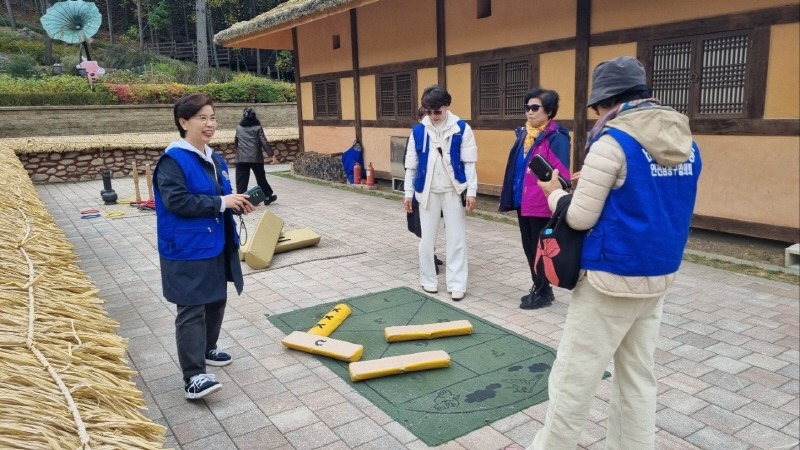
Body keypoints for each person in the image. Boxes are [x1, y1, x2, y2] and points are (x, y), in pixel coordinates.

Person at [526, 56, 701, 449]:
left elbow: (582, 218)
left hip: (609, 278)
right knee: (637, 377)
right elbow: (652, 200)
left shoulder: (613, 141)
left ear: (606, 103)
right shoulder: (687, 144)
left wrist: (555, 193)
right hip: (657, 275)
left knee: (574, 378)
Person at [153, 93, 255, 400]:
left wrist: (236, 203)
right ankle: (193, 376)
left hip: (216, 243)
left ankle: (208, 348)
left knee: (215, 300)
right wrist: (222, 202)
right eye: (202, 118)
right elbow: (177, 201)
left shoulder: (215, 158)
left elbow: (220, 198)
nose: (210, 124)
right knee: (192, 308)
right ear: (183, 123)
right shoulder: (173, 160)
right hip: (187, 247)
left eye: (212, 117)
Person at [403, 85, 478, 301]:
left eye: (437, 111)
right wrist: (408, 194)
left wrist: (471, 191)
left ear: (446, 106)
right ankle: (428, 279)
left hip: (453, 191)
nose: (433, 116)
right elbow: (412, 166)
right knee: (426, 239)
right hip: (426, 192)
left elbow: (469, 164)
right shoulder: (418, 131)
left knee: (456, 239)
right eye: (428, 111)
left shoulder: (462, 129)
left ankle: (457, 283)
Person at [499, 87, 571, 310]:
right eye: (527, 107)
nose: (529, 112)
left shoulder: (555, 137)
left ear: (549, 111)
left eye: (535, 108)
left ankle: (542, 291)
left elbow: (561, 173)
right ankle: (541, 289)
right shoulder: (525, 135)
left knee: (540, 250)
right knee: (529, 247)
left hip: (542, 203)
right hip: (524, 201)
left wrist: (554, 198)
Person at [406, 106, 443, 274]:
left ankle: (431, 255)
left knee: (431, 225)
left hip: (435, 189)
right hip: (418, 189)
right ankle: (429, 258)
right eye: (426, 116)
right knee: (422, 226)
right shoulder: (416, 136)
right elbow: (410, 167)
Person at [234, 107, 278, 205]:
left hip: (241, 158)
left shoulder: (239, 127)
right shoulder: (258, 127)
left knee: (241, 180)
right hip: (255, 158)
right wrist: (272, 155)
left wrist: (238, 153)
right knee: (261, 178)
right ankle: (267, 197)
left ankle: (241, 201)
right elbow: (264, 142)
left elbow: (236, 142)